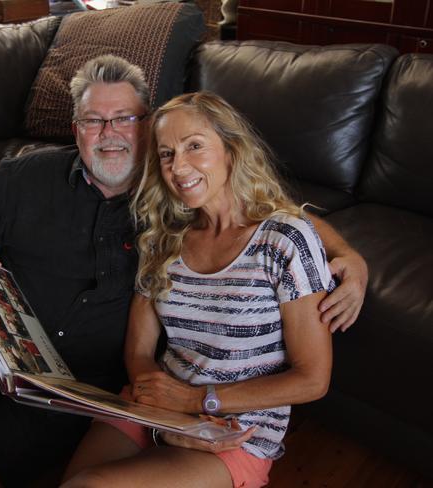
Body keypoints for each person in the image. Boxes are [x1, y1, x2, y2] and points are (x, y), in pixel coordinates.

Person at [0, 56, 366, 488]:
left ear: (145, 124)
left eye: (124, 117)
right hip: (11, 335)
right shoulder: (59, 184)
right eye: (93, 120)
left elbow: (273, 214)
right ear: (75, 128)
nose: (110, 132)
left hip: (92, 383)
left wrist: (354, 259)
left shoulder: (171, 201)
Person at [61, 91, 338, 488]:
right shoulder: (163, 240)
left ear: (231, 149)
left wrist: (195, 403)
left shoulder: (284, 239)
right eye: (167, 154)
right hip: (156, 406)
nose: (179, 166)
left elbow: (313, 379)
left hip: (235, 432)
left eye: (194, 146)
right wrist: (168, 416)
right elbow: (139, 352)